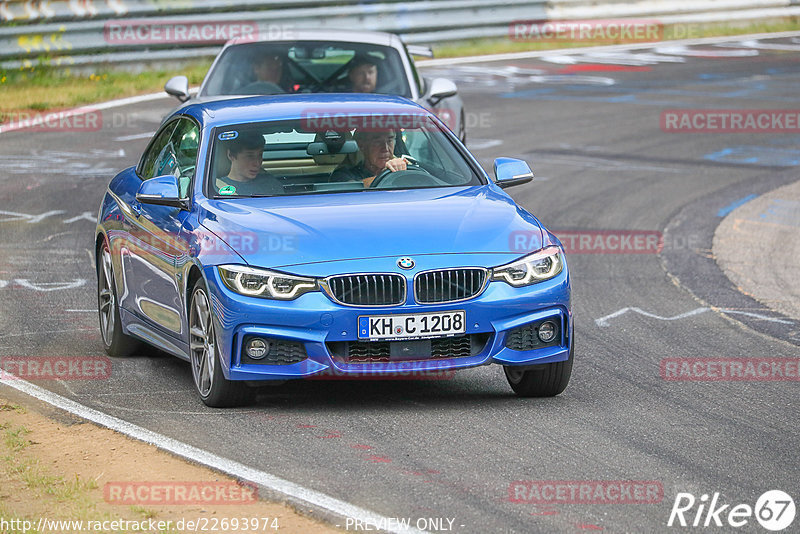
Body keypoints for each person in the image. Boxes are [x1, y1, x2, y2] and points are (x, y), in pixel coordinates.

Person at [330, 129, 407, 187]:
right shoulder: (342, 174)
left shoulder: (405, 166)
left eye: (390, 141)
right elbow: (351, 189)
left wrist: (402, 170)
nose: (385, 149)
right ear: (361, 145)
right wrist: (390, 175)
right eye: (377, 142)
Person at [216, 132, 283, 196]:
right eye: (250, 156)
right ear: (231, 155)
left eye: (260, 155)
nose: (257, 163)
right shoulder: (216, 188)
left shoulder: (271, 184)